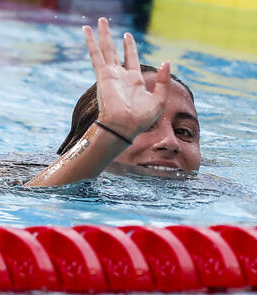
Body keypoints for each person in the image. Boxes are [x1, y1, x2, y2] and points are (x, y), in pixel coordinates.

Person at [24, 17, 200, 187]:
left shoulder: (215, 192)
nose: (170, 142)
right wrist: (114, 132)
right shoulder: (13, 170)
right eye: (143, 125)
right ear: (84, 138)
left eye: (183, 131)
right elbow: (31, 202)